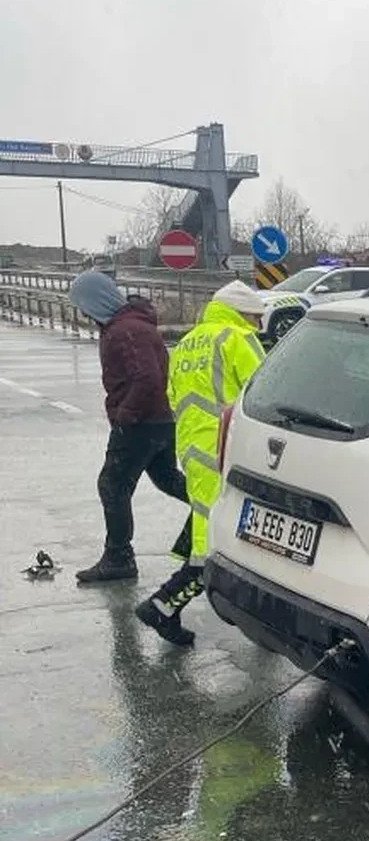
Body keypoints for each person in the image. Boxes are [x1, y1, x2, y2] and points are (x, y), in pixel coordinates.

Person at [135, 280, 267, 646]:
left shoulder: (188, 342)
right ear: (243, 313)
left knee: (209, 525)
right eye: (256, 318)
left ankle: (168, 607)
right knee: (212, 544)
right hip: (229, 448)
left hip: (193, 447)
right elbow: (265, 390)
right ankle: (162, 604)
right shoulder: (236, 338)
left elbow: (173, 394)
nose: (258, 326)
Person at [69, 269, 189, 584]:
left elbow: (148, 377)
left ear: (95, 301)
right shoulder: (131, 325)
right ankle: (218, 510)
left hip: (141, 423)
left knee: (112, 484)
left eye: (82, 305)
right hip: (160, 420)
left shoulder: (126, 330)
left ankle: (119, 557)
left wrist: (125, 414)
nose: (82, 312)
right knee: (166, 479)